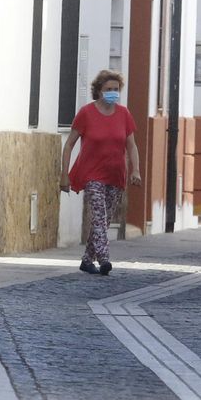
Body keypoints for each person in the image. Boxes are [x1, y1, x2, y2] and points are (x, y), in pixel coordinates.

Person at [60, 70, 142, 275]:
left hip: (115, 174)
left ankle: (87, 260)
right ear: (99, 91)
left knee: (103, 222)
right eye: (108, 89)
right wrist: (65, 174)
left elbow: (131, 145)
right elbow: (69, 144)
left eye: (116, 89)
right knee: (98, 216)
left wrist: (136, 170)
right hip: (92, 174)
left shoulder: (124, 114)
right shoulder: (86, 113)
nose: (113, 93)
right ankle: (104, 258)